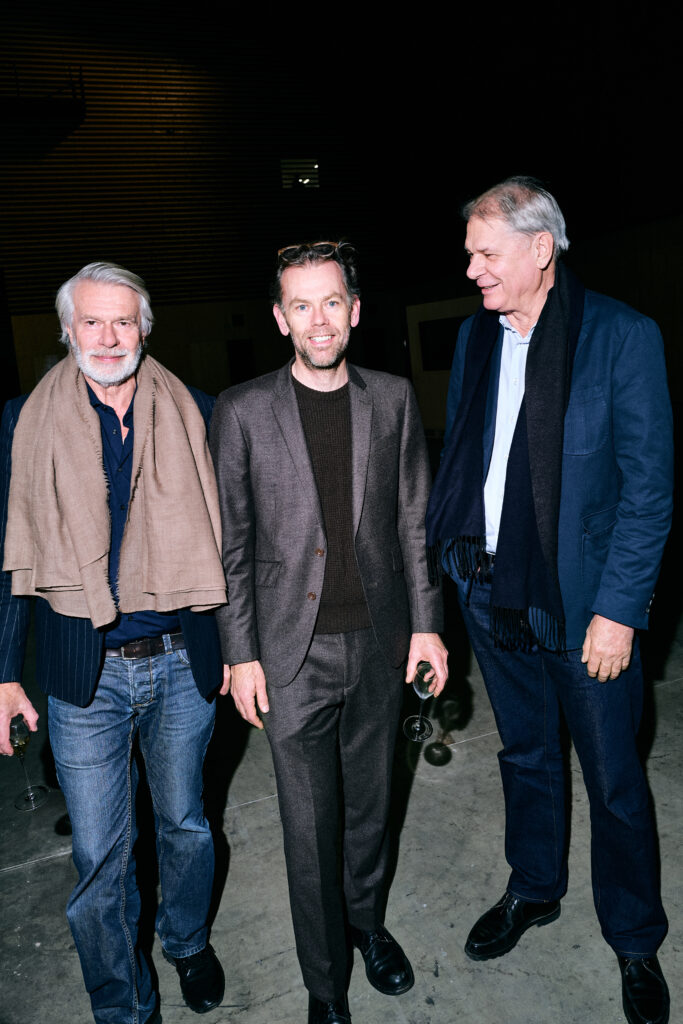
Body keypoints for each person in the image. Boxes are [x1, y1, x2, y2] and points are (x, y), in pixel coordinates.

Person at [426, 177, 673, 1024]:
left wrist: (619, 610)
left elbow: (647, 490)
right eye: (469, 253)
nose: (471, 270)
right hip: (489, 589)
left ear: (540, 249)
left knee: (613, 780)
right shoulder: (475, 337)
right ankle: (534, 887)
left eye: (485, 253)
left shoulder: (621, 336)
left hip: (581, 605)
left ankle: (633, 938)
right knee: (525, 755)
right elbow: (465, 459)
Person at [209, 241, 447, 1024]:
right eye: (301, 305)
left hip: (380, 644)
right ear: (280, 318)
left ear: (355, 309)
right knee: (309, 830)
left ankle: (366, 925)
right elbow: (231, 545)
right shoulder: (242, 410)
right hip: (290, 655)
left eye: (332, 302)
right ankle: (324, 985)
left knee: (371, 808)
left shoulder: (392, 399)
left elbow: (414, 524)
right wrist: (240, 653)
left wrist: (427, 628)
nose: (319, 320)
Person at [0, 262, 229, 1024]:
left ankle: (186, 939)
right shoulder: (24, 420)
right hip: (84, 673)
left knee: (185, 825)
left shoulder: (197, 410)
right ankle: (123, 1005)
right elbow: (10, 553)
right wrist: (5, 674)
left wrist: (240, 652)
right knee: (100, 855)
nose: (107, 337)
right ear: (67, 331)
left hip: (182, 660)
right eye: (91, 321)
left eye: (123, 321)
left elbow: (234, 549)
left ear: (145, 329)